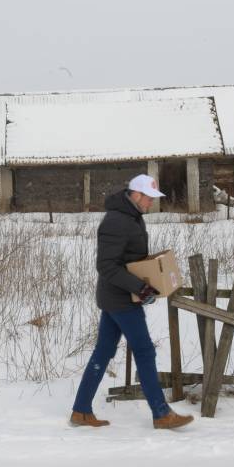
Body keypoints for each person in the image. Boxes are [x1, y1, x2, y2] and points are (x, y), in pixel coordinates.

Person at [70, 174, 194, 429]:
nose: (151, 204)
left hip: (120, 295)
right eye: (149, 198)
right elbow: (106, 266)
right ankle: (161, 414)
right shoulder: (117, 221)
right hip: (120, 298)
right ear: (136, 195)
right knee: (145, 351)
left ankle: (81, 410)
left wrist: (150, 272)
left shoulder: (131, 218)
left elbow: (127, 258)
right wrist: (139, 286)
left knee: (103, 352)